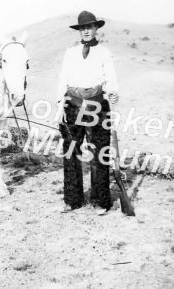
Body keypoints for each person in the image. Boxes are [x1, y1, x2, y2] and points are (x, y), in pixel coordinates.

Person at [57, 11, 119, 215]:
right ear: (79, 30)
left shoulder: (104, 52)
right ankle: (73, 200)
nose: (86, 31)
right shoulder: (70, 53)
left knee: (99, 154)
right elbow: (62, 80)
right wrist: (59, 107)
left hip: (97, 106)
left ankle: (100, 201)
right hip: (72, 106)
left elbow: (110, 78)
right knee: (71, 153)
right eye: (82, 27)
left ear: (96, 29)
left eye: (89, 27)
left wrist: (113, 93)